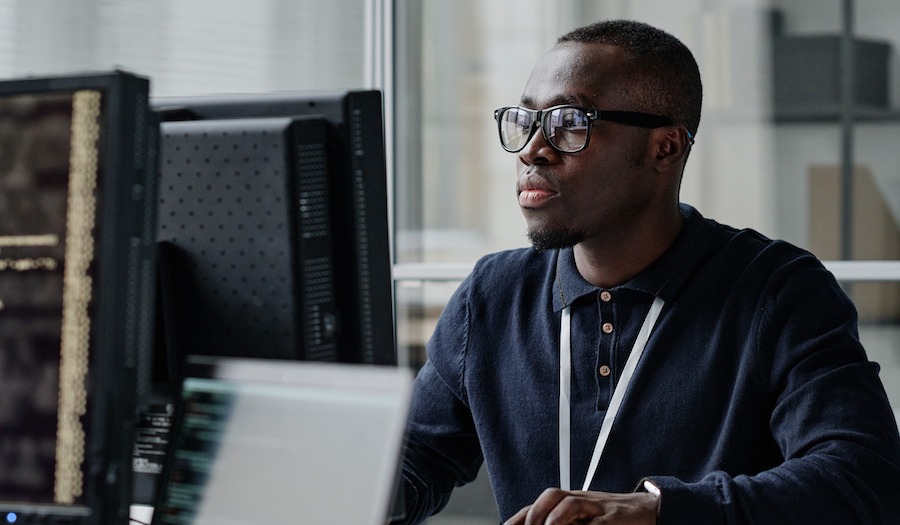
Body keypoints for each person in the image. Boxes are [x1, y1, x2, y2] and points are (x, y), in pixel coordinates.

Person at [393, 19, 900, 525]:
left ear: (666, 148)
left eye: (570, 122)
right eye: (524, 121)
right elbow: (413, 466)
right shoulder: (492, 296)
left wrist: (661, 512)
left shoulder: (778, 291)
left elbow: (861, 479)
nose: (532, 149)